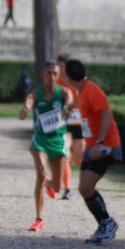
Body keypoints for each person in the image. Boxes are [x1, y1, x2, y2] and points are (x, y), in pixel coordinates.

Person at [65, 58, 122, 244]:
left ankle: (107, 223)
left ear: (68, 76)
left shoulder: (92, 90)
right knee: (83, 188)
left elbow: (106, 115)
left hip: (104, 145)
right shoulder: (83, 89)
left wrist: (99, 142)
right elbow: (80, 102)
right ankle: (105, 223)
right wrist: (69, 108)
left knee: (87, 186)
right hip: (92, 146)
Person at [19, 60, 71, 232]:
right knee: (41, 173)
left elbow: (70, 101)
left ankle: (50, 185)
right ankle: (38, 218)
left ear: (59, 75)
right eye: (49, 73)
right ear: (42, 75)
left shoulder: (63, 92)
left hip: (57, 141)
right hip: (40, 140)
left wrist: (69, 108)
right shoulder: (36, 93)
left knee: (57, 187)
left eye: (55, 73)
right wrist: (26, 108)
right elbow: (22, 113)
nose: (52, 77)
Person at [56, 53, 84, 200]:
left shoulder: (78, 80)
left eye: (64, 66)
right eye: (59, 66)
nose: (61, 69)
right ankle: (67, 188)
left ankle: (69, 165)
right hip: (64, 123)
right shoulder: (56, 81)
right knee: (65, 154)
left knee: (78, 158)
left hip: (79, 123)